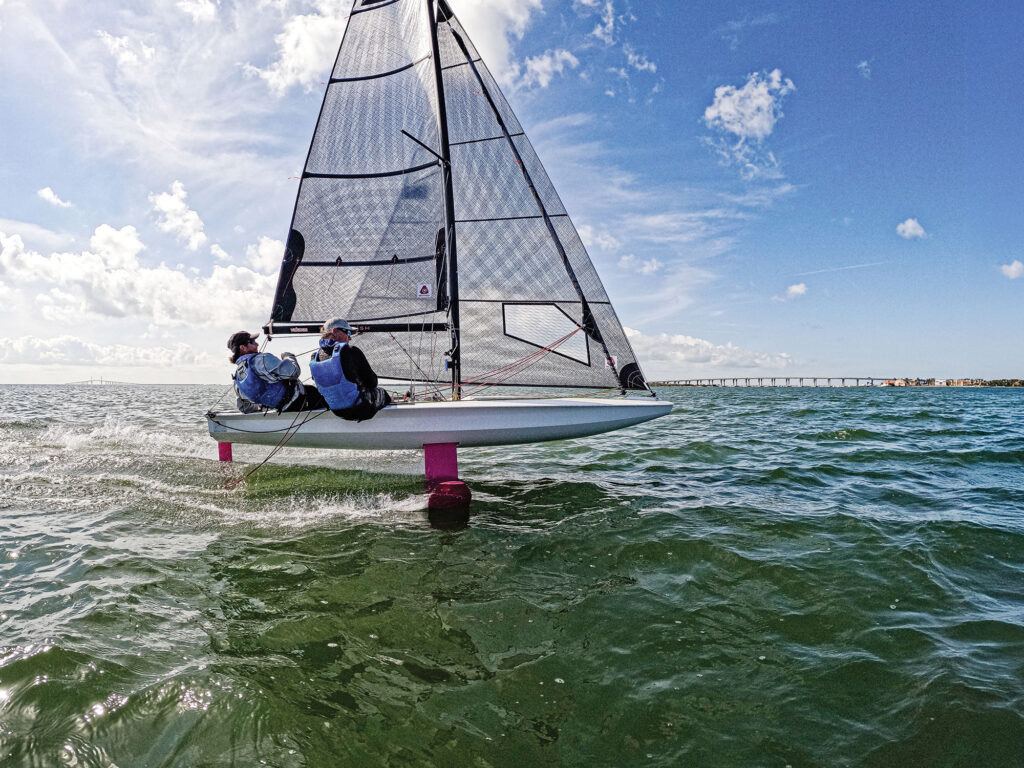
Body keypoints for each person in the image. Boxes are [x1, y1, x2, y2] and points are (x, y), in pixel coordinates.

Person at [308, 318, 392, 421]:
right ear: (335, 331)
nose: (350, 338)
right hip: (361, 408)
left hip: (337, 412)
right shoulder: (351, 351)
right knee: (383, 393)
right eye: (348, 333)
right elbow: (372, 382)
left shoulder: (315, 357)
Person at [227, 331, 327, 413]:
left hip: (282, 409)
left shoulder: (237, 377)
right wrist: (289, 356)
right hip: (301, 400)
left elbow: (244, 408)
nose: (257, 344)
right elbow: (294, 372)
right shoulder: (262, 360)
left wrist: (262, 408)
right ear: (243, 348)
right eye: (252, 341)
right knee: (315, 390)